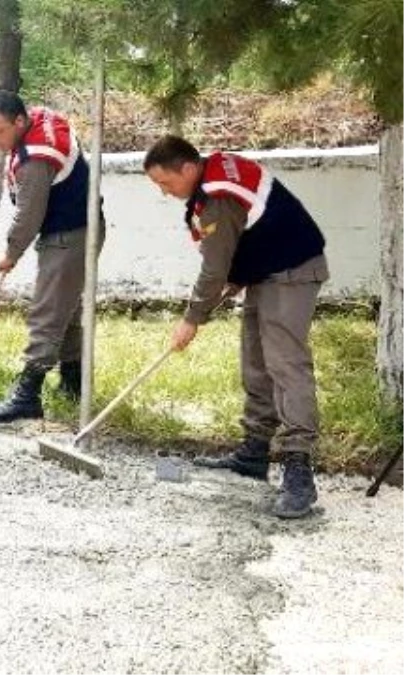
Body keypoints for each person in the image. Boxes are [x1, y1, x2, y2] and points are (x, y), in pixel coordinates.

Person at [143, 135, 328, 520]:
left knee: (286, 364)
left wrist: (192, 319)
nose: (163, 192)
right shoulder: (210, 177)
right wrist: (236, 277)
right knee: (256, 361)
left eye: (165, 182)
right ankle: (254, 452)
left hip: (292, 269)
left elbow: (214, 267)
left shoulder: (215, 195)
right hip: (267, 270)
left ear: (188, 168)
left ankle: (299, 471)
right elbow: (241, 238)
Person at [0, 90, 102, 423]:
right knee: (67, 308)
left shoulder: (36, 158)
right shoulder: (38, 120)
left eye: (0, 131)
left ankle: (27, 396)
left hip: (70, 234)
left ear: (20, 121)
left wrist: (11, 252)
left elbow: (29, 215)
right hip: (80, 226)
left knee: (47, 312)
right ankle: (74, 383)